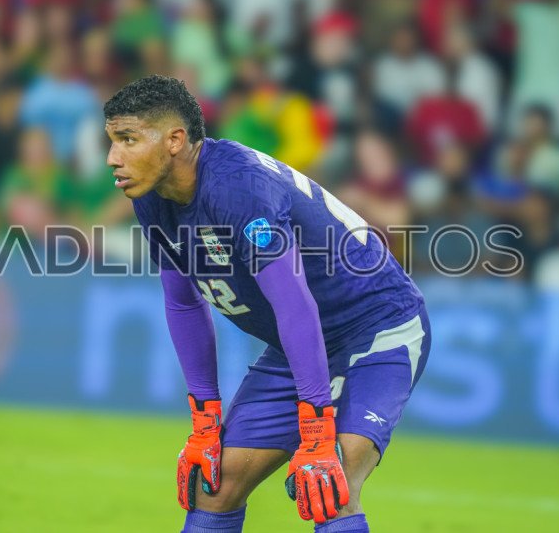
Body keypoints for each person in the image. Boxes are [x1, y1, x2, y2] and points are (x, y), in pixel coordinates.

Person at [104, 75, 429, 532]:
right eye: (113, 141)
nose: (112, 157)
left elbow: (295, 306)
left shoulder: (238, 188)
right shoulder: (154, 199)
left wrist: (316, 430)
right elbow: (184, 304)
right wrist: (204, 421)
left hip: (376, 329)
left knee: (329, 486)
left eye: (127, 139)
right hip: (301, 345)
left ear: (175, 141)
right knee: (214, 488)